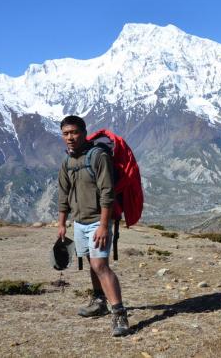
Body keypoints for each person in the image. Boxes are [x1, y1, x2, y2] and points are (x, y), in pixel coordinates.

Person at [57, 115, 130, 337]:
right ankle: (99, 301)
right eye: (66, 133)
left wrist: (103, 225)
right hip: (79, 222)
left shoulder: (98, 157)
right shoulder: (68, 162)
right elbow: (63, 193)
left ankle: (119, 313)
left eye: (74, 132)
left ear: (84, 132)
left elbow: (107, 193)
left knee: (100, 265)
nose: (70, 137)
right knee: (92, 263)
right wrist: (62, 224)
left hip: (99, 221)